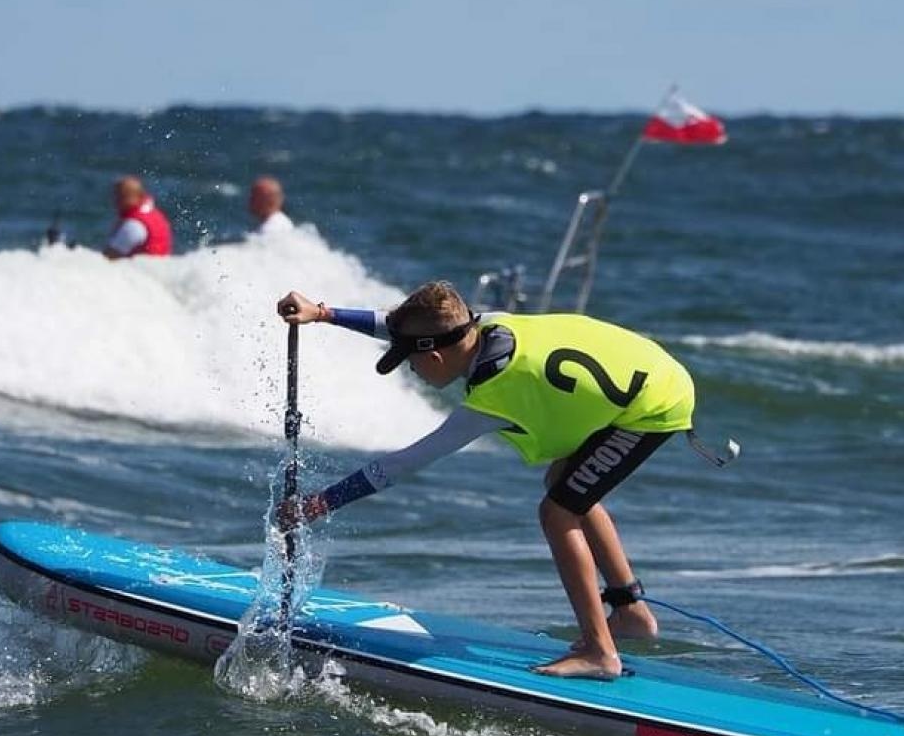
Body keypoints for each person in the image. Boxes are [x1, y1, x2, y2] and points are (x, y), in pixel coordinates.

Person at [275, 281, 694, 680]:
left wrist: (320, 503)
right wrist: (323, 314)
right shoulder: (487, 324)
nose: (412, 371)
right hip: (648, 369)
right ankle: (631, 614)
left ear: (435, 358)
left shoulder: (494, 396)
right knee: (566, 485)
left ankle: (601, 653)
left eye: (410, 362)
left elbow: (404, 463)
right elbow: (405, 325)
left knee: (558, 510)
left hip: (654, 406)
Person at [103, 175, 172, 259]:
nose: (116, 201)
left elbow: (110, 257)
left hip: (140, 270)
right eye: (116, 195)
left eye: (122, 196)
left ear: (138, 196)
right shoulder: (156, 214)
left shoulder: (134, 224)